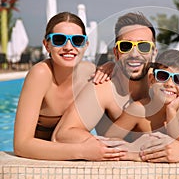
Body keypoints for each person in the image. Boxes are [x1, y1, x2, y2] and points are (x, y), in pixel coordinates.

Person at [53, 12, 179, 162]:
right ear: (116, 52)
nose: (135, 54)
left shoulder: (170, 86)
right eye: (126, 46)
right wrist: (124, 150)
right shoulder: (103, 88)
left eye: (144, 46)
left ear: (154, 52)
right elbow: (63, 134)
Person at [13, 12, 125, 160]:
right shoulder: (41, 74)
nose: (68, 47)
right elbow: (21, 145)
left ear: (85, 45)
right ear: (47, 45)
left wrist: (112, 66)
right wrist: (82, 151)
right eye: (59, 40)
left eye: (77, 41)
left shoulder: (91, 73)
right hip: (42, 158)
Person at [105, 49, 179, 142]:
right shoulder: (139, 110)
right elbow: (108, 139)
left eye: (178, 79)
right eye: (162, 76)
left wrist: (171, 111)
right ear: (152, 80)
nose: (169, 84)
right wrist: (132, 149)